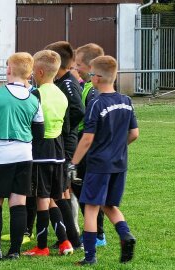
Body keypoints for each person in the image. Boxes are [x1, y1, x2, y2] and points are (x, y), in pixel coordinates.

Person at [69, 56, 139, 265]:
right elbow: (134, 133)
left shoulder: (96, 102)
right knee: (109, 205)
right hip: (120, 163)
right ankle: (126, 235)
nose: (89, 78)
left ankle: (90, 257)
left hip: (99, 164)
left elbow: (87, 138)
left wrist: (73, 163)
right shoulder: (126, 101)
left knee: (91, 207)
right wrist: (117, 147)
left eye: (91, 75)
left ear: (98, 78)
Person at [0, 52, 44, 260]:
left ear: (9, 70)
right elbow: (39, 133)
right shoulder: (34, 99)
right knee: (19, 203)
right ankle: (15, 251)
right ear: (29, 73)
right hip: (24, 155)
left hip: (0, 156)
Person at [23, 50, 73, 257]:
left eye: (33, 70)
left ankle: (41, 247)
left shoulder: (36, 94)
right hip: (58, 151)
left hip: (41, 151)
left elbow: (30, 122)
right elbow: (67, 126)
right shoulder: (62, 94)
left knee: (41, 198)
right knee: (53, 197)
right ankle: (65, 242)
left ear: (40, 71)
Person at [44, 41, 84, 250]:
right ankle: (68, 236)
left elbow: (78, 110)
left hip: (66, 142)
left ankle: (71, 237)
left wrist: (65, 129)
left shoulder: (68, 83)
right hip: (61, 140)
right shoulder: (60, 81)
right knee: (62, 190)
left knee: (59, 191)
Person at [73, 43, 107, 246]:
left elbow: (91, 125)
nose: (76, 68)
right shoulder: (86, 87)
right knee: (82, 190)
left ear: (91, 66)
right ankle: (92, 232)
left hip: (89, 148)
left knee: (89, 191)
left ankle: (98, 235)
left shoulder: (95, 92)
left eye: (78, 65)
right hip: (85, 145)